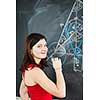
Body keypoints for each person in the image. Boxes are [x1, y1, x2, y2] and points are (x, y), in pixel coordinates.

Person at [19, 33, 66, 100]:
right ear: (30, 50)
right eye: (39, 46)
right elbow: (61, 93)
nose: (44, 49)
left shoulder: (27, 69)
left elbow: (23, 92)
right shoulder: (35, 71)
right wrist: (58, 69)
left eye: (45, 45)